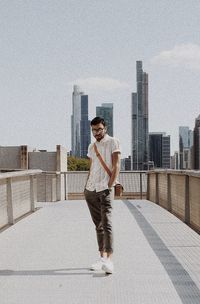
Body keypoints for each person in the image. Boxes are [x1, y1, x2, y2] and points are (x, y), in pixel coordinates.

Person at [84, 116, 121, 274]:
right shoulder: (92, 147)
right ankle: (102, 257)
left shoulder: (113, 142)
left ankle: (109, 260)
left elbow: (116, 164)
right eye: (94, 129)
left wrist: (110, 185)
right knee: (98, 225)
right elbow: (92, 167)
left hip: (105, 188)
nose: (96, 132)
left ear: (105, 128)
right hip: (91, 189)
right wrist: (86, 186)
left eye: (99, 129)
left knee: (107, 224)